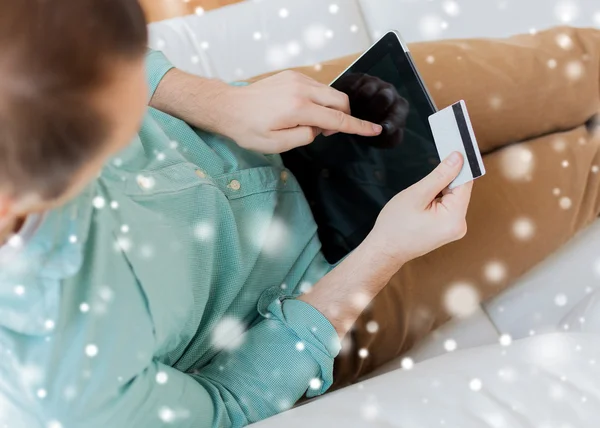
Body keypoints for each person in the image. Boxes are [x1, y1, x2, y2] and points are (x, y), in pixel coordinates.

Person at [2, 2, 598, 428]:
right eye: (118, 121)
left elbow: (108, 62)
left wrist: (216, 99)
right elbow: (225, 404)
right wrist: (381, 256)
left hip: (279, 123)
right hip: (325, 296)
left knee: (570, 65)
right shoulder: (67, 386)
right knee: (585, 176)